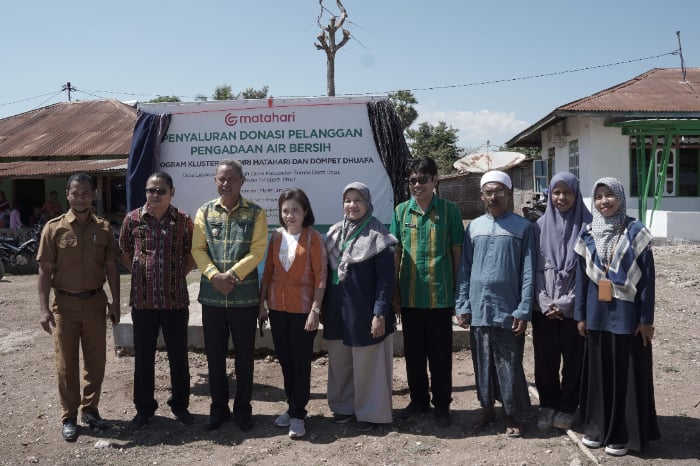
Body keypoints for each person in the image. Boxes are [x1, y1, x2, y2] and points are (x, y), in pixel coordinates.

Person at [574, 177, 660, 457]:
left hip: (628, 317)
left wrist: (645, 319)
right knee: (599, 375)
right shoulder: (587, 233)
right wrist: (581, 316)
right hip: (597, 315)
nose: (604, 201)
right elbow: (581, 280)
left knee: (625, 375)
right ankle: (597, 429)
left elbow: (647, 279)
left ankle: (622, 435)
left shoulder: (637, 232)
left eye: (610, 195)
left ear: (621, 198)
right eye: (598, 196)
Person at [36, 173, 120, 442]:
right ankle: (69, 416)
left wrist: (116, 302)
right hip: (64, 306)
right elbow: (44, 271)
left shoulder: (104, 228)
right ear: (67, 195)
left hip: (96, 303)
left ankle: (91, 409)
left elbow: (111, 268)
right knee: (66, 364)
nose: (81, 197)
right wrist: (43, 309)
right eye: (75, 193)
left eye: (85, 193)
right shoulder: (53, 228)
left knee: (96, 363)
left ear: (93, 195)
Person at [455, 170, 535, 438]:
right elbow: (465, 269)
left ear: (509, 194)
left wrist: (524, 308)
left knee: (509, 363)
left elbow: (528, 271)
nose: (493, 196)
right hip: (479, 307)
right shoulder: (474, 227)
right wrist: (463, 304)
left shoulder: (524, 227)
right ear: (481, 196)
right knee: (483, 361)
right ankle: (486, 408)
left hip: (508, 309)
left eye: (499, 191)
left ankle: (511, 414)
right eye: (488, 192)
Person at [191, 159, 268, 432]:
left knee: (245, 356)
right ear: (215, 180)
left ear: (242, 181)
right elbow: (198, 249)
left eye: (232, 179)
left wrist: (231, 276)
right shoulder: (204, 212)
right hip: (212, 298)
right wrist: (215, 276)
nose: (226, 183)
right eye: (221, 178)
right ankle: (218, 409)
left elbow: (257, 250)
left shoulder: (256, 213)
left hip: (244, 299)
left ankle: (243, 409)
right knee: (214, 356)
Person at [390, 156, 464, 427]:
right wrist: (394, 290)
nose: (417, 185)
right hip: (410, 296)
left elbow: (457, 251)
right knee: (414, 354)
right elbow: (396, 251)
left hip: (440, 295)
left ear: (435, 180)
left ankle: (442, 404)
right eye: (412, 180)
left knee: (441, 354)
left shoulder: (450, 211)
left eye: (423, 179)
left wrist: (458, 289)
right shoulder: (400, 212)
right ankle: (419, 401)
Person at [119, 172, 195, 429]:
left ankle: (180, 405)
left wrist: (174, 275)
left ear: (171, 192)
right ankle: (144, 409)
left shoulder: (183, 221)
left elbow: (191, 254)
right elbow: (125, 252)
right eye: (151, 190)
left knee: (178, 356)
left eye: (161, 190)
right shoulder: (133, 220)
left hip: (175, 301)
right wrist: (143, 273)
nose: (155, 195)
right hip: (143, 301)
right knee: (143, 357)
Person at [323, 182, 397, 432]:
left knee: (369, 366)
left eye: (357, 200)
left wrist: (380, 313)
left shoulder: (379, 237)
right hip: (338, 310)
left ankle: (370, 413)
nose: (352, 205)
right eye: (347, 200)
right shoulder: (334, 234)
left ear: (367, 202)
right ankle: (343, 407)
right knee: (339, 361)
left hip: (366, 311)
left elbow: (387, 282)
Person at [258, 189, 327, 439]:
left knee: (300, 363)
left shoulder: (313, 238)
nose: (290, 215)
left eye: (295, 210)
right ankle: (292, 406)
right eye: (285, 210)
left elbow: (321, 277)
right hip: (277, 310)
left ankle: (298, 415)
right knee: (286, 361)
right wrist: (261, 305)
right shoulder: (276, 237)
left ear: (305, 212)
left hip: (302, 311)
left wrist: (315, 310)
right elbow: (267, 273)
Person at [532, 172, 591, 431]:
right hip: (543, 307)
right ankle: (548, 405)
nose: (561, 197)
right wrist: (545, 302)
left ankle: (568, 407)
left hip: (575, 306)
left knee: (574, 359)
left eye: (567, 192)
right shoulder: (537, 226)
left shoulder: (589, 227)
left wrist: (566, 303)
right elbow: (531, 269)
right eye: (556, 192)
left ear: (576, 194)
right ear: (549, 195)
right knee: (545, 359)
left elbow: (592, 272)